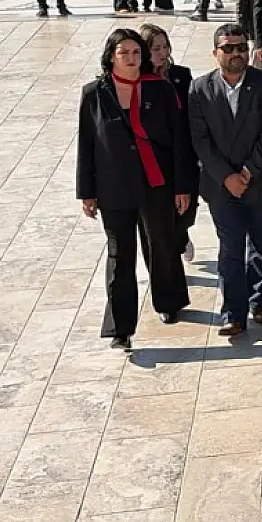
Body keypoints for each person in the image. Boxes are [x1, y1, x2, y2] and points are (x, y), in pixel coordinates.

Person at [77, 29, 193, 350]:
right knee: (120, 254)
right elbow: (86, 146)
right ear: (111, 55)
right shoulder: (94, 94)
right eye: (124, 52)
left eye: (136, 53)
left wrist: (182, 186)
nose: (131, 58)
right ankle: (120, 327)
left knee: (162, 243)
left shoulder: (160, 89)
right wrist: (87, 192)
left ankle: (169, 302)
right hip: (114, 188)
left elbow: (180, 141)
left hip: (156, 182)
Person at [188, 24, 262, 338]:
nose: (236, 53)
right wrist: (227, 176)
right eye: (228, 48)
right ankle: (233, 312)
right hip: (220, 187)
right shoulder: (200, 89)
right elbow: (200, 140)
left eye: (241, 47)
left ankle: (259, 301)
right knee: (230, 249)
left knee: (261, 246)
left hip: (259, 183)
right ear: (215, 52)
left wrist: (247, 172)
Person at [141, 24, 199, 261]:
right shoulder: (138, 80)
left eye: (165, 47)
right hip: (154, 159)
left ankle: (182, 235)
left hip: (183, 152)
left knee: (186, 208)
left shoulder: (180, 76)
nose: (162, 53)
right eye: (156, 48)